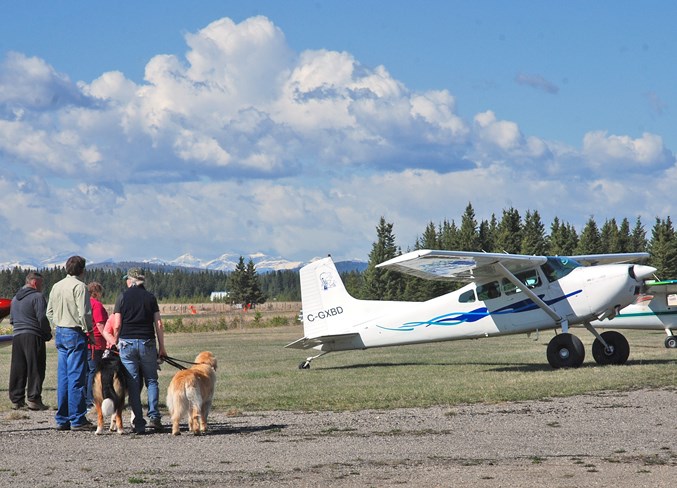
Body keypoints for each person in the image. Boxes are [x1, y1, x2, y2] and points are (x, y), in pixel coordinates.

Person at [112, 268, 167, 434]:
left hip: (127, 344)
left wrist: (115, 341)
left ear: (131, 280)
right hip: (147, 343)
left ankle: (139, 423)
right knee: (151, 379)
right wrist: (162, 347)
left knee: (133, 382)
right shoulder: (150, 297)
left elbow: (117, 324)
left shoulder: (121, 297)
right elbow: (158, 324)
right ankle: (154, 416)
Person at [46, 255, 94, 431]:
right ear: (82, 270)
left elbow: (49, 312)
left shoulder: (56, 286)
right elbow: (85, 313)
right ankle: (77, 418)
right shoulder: (80, 287)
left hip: (60, 331)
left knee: (64, 377)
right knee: (77, 377)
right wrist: (89, 331)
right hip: (75, 332)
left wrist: (56, 324)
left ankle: (62, 418)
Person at [8, 271, 52, 411]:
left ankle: (17, 399)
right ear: (34, 282)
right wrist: (47, 333)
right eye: (41, 283)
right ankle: (34, 398)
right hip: (33, 334)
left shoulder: (15, 299)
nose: (42, 286)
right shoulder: (38, 297)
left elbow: (12, 320)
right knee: (36, 367)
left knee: (18, 368)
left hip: (17, 336)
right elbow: (42, 318)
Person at [85, 282, 108, 409]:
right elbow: (100, 324)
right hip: (97, 343)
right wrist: (109, 339)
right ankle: (91, 400)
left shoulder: (86, 304)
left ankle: (86, 398)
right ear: (97, 292)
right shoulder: (97, 305)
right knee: (94, 372)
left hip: (88, 342)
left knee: (88, 372)